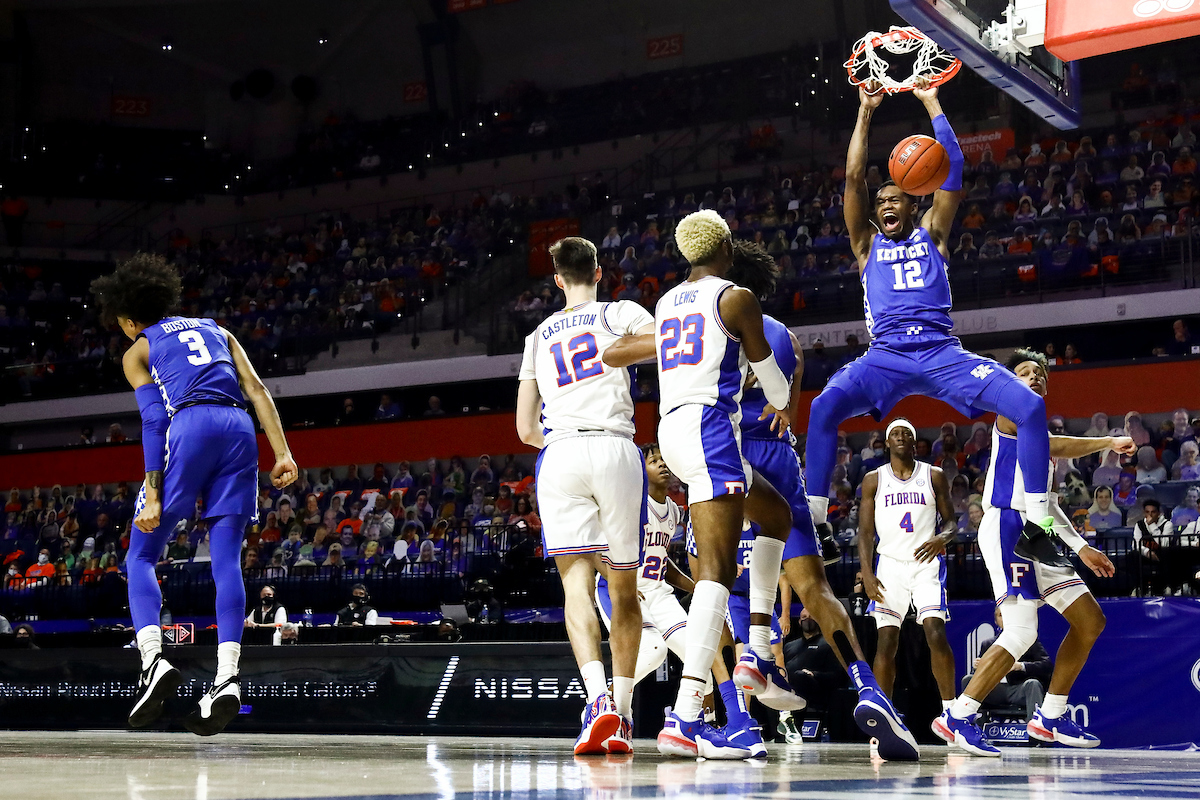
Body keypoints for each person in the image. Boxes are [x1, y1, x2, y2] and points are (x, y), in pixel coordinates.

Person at [806, 79, 1056, 617]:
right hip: (886, 356)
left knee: (1030, 408)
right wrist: (865, 111)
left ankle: (1038, 524)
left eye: (897, 197)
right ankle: (819, 524)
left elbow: (955, 169)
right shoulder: (865, 243)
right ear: (875, 214)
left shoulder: (934, 235)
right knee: (823, 408)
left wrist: (929, 100)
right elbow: (852, 176)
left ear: (912, 201)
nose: (888, 203)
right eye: (882, 201)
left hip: (943, 352)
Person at [603, 209, 801, 761]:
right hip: (710, 428)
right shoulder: (736, 298)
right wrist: (784, 396)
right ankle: (688, 714)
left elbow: (628, 351)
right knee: (714, 571)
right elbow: (776, 388)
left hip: (674, 429)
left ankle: (755, 650)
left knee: (776, 515)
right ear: (728, 247)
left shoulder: (666, 301)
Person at [91, 254, 298, 736]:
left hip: (190, 425)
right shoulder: (216, 329)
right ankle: (228, 676)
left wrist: (153, 490)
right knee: (226, 561)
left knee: (140, 556)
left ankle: (153, 663)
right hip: (240, 430)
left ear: (126, 318)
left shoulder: (137, 349)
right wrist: (283, 454)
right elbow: (257, 388)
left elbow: (153, 419)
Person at [722, 237, 913, 758]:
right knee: (815, 587)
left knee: (711, 586)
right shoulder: (789, 339)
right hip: (783, 459)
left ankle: (730, 714)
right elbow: (789, 409)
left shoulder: (721, 326)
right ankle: (867, 686)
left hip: (731, 457)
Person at [935, 349, 1136, 756]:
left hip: (1036, 530)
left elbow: (1049, 502)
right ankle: (958, 716)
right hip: (1008, 526)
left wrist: (1081, 548)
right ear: (1009, 381)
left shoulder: (1034, 430)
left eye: (1040, 373)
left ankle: (1050, 716)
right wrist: (1108, 441)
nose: (1034, 378)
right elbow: (1058, 445)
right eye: (1024, 372)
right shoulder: (1010, 411)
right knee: (1022, 630)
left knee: (1089, 621)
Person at [514, 236, 652, 756]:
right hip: (614, 447)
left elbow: (526, 427)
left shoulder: (535, 336)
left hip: (562, 452)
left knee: (575, 585)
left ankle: (595, 700)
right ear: (599, 272)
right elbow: (668, 340)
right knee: (622, 588)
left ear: (556, 280)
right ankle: (624, 711)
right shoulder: (618, 312)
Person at [591, 444, 756, 753]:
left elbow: (662, 564)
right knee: (652, 650)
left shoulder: (674, 511)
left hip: (658, 592)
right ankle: (604, 703)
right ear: (641, 470)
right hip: (622, 589)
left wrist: (697, 586)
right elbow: (597, 551)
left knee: (700, 657)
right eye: (654, 461)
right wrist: (619, 582)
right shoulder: (630, 504)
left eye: (664, 459)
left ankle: (703, 729)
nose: (662, 465)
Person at [858, 418, 959, 714]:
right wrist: (867, 573)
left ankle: (950, 711)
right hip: (889, 564)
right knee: (886, 640)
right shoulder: (873, 479)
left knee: (935, 632)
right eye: (895, 433)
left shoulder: (934, 475)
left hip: (925, 563)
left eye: (907, 433)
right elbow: (864, 532)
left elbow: (952, 522)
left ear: (915, 442)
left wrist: (943, 537)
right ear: (886, 442)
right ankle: (884, 713)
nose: (900, 437)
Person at [967, 607, 1052, 722]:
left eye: (1007, 615)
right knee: (968, 679)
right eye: (1001, 615)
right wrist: (978, 669)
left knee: (1033, 684)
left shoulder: (1028, 640)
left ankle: (1035, 731)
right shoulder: (988, 644)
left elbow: (1046, 665)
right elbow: (976, 678)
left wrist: (1020, 666)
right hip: (994, 691)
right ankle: (971, 726)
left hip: (1018, 689)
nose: (1005, 618)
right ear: (996, 621)